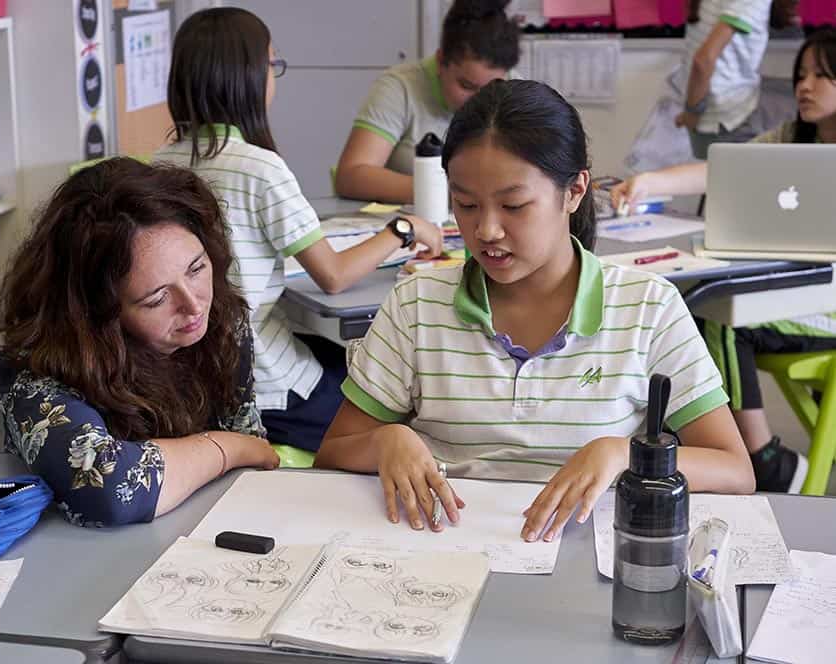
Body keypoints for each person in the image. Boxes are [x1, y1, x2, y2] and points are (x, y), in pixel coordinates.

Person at [315, 80, 754, 542]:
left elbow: (734, 469)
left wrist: (622, 454)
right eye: (464, 204)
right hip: (443, 552)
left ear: (574, 191)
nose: (486, 230)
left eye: (514, 205)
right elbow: (334, 453)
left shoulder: (648, 308)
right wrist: (386, 441)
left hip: (585, 560)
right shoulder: (416, 305)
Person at [155, 8, 442, 452]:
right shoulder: (258, 168)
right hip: (264, 388)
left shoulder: (157, 164)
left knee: (331, 357)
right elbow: (333, 276)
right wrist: (403, 230)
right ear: (249, 77)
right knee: (392, 400)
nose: (275, 77)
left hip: (186, 381)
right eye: (273, 64)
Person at [0, 158, 279, 527]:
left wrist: (236, 450)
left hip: (200, 531)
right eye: (156, 299)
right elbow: (109, 489)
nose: (193, 304)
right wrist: (227, 447)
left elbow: (253, 463)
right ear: (98, 312)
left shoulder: (221, 320)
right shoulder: (36, 363)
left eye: (197, 268)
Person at [611, 29, 836, 493]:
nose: (804, 86)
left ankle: (761, 455)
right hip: (787, 298)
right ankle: (726, 445)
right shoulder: (791, 138)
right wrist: (650, 183)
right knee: (702, 307)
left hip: (825, 306)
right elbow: (721, 168)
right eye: (801, 74)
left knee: (720, 318)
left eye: (821, 75)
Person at [334, 0, 521, 203]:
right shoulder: (400, 88)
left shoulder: (515, 91)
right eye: (466, 86)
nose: (479, 101)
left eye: (491, 90)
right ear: (441, 62)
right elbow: (350, 176)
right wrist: (449, 195)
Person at [674, 0, 774, 159]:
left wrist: (690, 111)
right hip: (725, 116)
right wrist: (691, 113)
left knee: (708, 178)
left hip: (708, 111)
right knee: (724, 180)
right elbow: (703, 60)